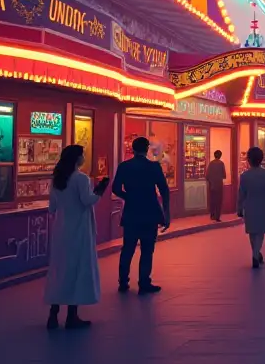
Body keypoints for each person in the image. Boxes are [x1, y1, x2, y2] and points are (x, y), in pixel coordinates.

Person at [44, 145, 108, 329]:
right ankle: (72, 315)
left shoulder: (57, 179)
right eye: (83, 155)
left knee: (59, 269)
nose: (84, 157)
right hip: (79, 229)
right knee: (77, 268)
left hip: (61, 229)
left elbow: (52, 207)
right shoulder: (81, 178)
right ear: (77, 158)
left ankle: (53, 314)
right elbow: (87, 200)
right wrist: (100, 190)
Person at [112, 136, 171, 295]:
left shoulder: (124, 166)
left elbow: (116, 188)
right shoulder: (154, 167)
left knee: (128, 248)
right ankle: (144, 282)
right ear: (147, 150)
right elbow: (164, 190)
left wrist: (128, 196)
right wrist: (166, 212)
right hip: (150, 212)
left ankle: (123, 282)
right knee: (147, 249)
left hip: (131, 212)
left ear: (133, 149)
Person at [237, 146, 265, 267]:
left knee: (252, 232)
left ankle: (256, 253)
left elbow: (241, 194)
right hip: (263, 206)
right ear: (261, 159)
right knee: (260, 232)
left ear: (249, 160)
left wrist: (239, 208)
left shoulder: (245, 176)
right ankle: (256, 255)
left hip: (249, 206)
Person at [206, 149, 227, 222]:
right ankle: (217, 216)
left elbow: (207, 175)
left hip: (212, 185)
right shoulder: (221, 164)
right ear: (220, 156)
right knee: (218, 201)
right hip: (219, 185)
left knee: (212, 200)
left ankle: (212, 214)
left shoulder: (211, 163)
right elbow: (224, 175)